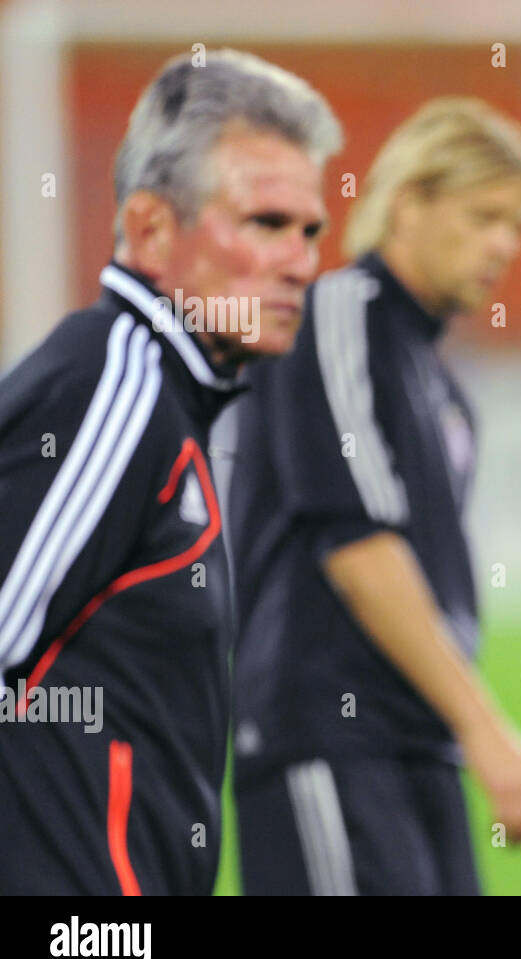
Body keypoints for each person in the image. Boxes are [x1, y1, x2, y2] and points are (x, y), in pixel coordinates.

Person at [0, 49, 339, 894]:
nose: (301, 263)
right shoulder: (116, 385)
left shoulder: (174, 397)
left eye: (311, 232)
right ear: (152, 229)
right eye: (265, 223)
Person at [229, 97, 521, 896]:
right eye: (484, 216)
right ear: (409, 202)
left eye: (516, 225)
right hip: (328, 737)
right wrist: (488, 729)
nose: (504, 246)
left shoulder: (438, 380)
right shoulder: (335, 315)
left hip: (414, 746)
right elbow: (357, 544)